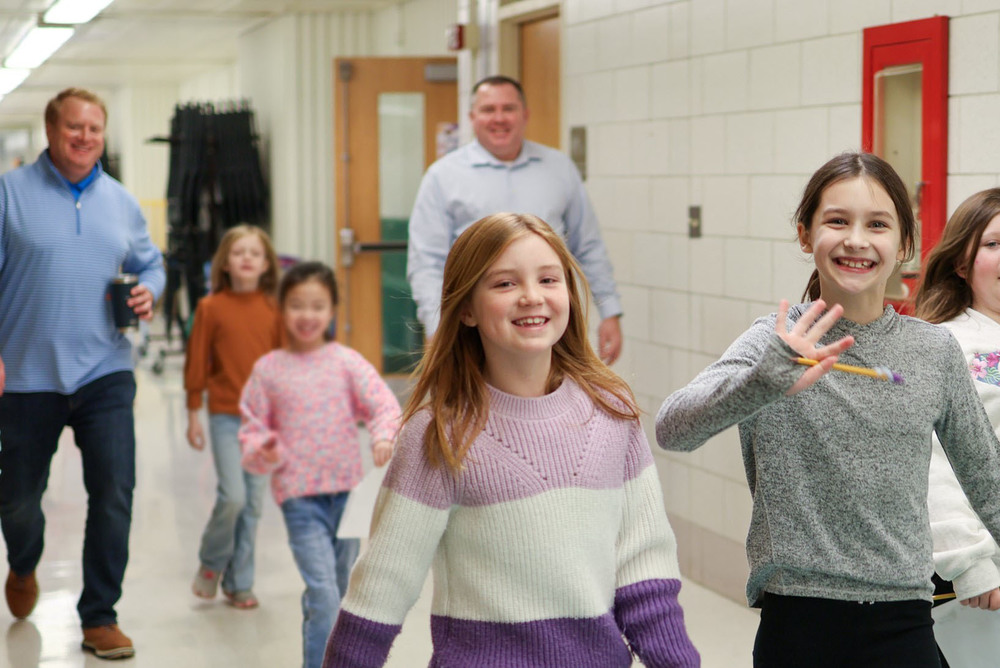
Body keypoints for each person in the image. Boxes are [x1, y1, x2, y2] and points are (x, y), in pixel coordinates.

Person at [655, 153, 1000, 668]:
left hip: (904, 617)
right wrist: (764, 381)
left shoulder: (932, 351)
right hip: (796, 622)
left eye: (877, 224)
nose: (856, 239)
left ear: (903, 245)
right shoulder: (772, 341)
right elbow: (673, 429)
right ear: (804, 235)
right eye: (837, 221)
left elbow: (987, 478)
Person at [324, 213, 699, 668]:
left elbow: (646, 568)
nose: (531, 297)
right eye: (504, 284)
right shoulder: (439, 433)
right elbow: (381, 588)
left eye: (548, 279)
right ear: (465, 309)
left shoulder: (612, 410)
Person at [0, 87, 165, 659]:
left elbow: (149, 262)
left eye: (94, 128)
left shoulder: (120, 201)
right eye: (74, 126)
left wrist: (151, 291)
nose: (84, 137)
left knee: (115, 491)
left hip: (104, 369)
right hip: (26, 375)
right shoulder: (9, 194)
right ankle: (23, 562)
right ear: (51, 131)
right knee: (18, 500)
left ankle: (99, 616)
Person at [238, 261, 400, 668]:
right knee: (323, 591)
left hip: (347, 497)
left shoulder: (345, 362)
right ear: (282, 309)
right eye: (296, 305)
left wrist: (382, 437)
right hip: (299, 500)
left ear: (331, 311)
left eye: (317, 306)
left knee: (342, 593)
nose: (307, 315)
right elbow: (251, 428)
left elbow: (383, 403)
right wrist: (265, 449)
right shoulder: (268, 371)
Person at [407, 75, 624, 364]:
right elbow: (427, 263)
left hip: (549, 327)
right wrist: (437, 327)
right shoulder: (443, 176)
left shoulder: (559, 168)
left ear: (524, 114)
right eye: (488, 110)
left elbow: (588, 246)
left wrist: (609, 310)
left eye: (508, 108)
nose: (499, 118)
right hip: (474, 330)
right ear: (473, 117)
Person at [912, 188, 1000, 668]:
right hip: (979, 579)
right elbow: (931, 463)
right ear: (961, 262)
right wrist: (969, 561)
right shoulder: (946, 344)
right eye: (993, 244)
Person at [185, 224, 284, 610]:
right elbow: (197, 363)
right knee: (234, 497)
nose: (246, 258)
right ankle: (211, 565)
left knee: (254, 503)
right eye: (238, 252)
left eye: (254, 253)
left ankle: (240, 583)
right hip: (225, 415)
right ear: (224, 262)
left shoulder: (274, 308)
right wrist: (194, 412)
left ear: (266, 264)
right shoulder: (210, 308)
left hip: (264, 423)